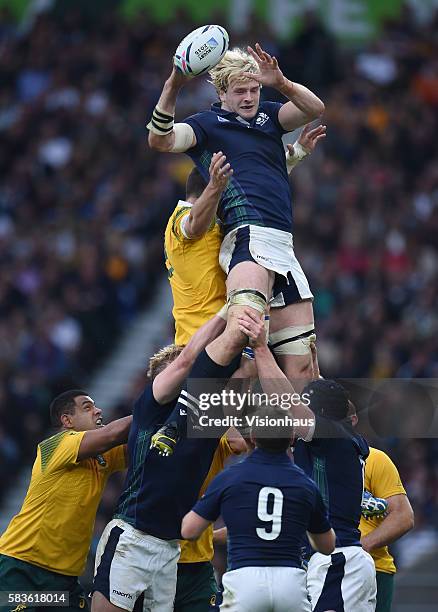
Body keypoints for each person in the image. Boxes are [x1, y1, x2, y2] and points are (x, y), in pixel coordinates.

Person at [148, 43, 325, 382]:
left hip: (284, 248)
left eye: (255, 89)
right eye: (240, 90)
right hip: (248, 237)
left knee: (302, 366)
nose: (249, 97)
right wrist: (174, 82)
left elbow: (314, 108)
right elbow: (161, 140)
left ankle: (307, 436)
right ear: (221, 92)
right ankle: (184, 413)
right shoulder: (206, 125)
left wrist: (282, 83)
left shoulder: (269, 117)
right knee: (240, 338)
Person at [92, 312, 244, 612]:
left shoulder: (207, 418)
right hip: (132, 539)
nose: (175, 376)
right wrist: (227, 313)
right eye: (168, 372)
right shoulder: (149, 410)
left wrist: (252, 342)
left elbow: (239, 382)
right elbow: (187, 359)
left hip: (169, 549)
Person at [238, 310, 376, 612]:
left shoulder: (331, 435)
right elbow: (316, 393)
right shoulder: (337, 435)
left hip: (336, 560)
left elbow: (287, 403)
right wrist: (311, 362)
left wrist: (261, 348)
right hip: (338, 561)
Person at [181, 413, 335, 612]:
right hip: (290, 583)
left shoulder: (230, 478)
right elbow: (327, 546)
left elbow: (189, 531)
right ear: (291, 439)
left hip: (244, 581)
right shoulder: (306, 485)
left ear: (252, 437)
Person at [0, 390, 131, 612]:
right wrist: (157, 402)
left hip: (63, 581)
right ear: (66, 420)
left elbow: (143, 440)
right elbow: (113, 433)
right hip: (23, 569)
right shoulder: (53, 445)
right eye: (87, 407)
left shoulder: (103, 457)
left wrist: (203, 389)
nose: (98, 410)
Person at [359, 447, 414, 612]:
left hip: (373, 568)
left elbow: (403, 516)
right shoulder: (304, 458)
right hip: (314, 566)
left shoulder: (374, 459)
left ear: (353, 420)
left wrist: (359, 547)